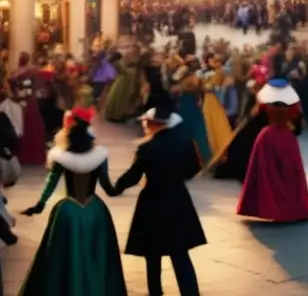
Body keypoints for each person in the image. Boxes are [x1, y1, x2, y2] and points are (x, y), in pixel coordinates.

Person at [19, 107, 126, 296]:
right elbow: (109, 187)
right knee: (97, 255)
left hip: (68, 212)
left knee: (62, 259)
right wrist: (124, 185)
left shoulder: (62, 158)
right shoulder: (99, 157)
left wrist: (39, 205)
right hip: (95, 211)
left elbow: (50, 184)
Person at [112, 92, 205, 296]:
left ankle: (155, 291)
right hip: (179, 200)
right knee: (180, 254)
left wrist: (116, 188)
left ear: (154, 123)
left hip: (152, 202)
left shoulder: (147, 148)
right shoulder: (186, 143)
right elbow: (194, 169)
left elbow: (134, 176)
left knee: (152, 255)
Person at [236, 58, 308, 223]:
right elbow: (298, 129)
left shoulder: (263, 104)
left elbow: (253, 123)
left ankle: (272, 208)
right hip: (287, 141)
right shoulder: (293, 106)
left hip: (267, 139)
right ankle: (294, 209)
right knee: (290, 175)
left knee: (267, 175)